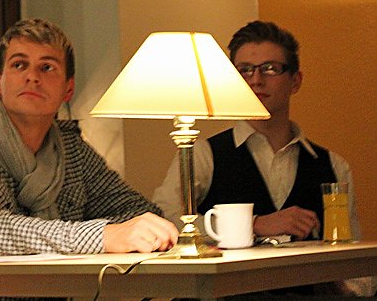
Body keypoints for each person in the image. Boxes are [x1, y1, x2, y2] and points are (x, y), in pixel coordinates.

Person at [0, 18, 178, 262]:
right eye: (19, 65)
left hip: (48, 288)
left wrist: (129, 232)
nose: (32, 76)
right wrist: (102, 236)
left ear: (68, 89)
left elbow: (138, 211)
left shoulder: (71, 149)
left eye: (47, 67)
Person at [153, 20, 374, 296]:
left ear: (295, 80)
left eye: (270, 68)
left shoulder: (333, 165)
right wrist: (254, 224)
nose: (256, 80)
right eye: (244, 70)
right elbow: (165, 218)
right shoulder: (203, 154)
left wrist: (351, 288)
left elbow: (353, 261)